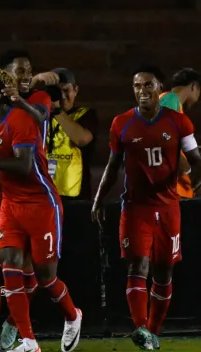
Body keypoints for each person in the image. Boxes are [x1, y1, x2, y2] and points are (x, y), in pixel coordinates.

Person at [0, 67, 82, 352]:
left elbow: (24, 167)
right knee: (9, 265)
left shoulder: (21, 118)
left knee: (46, 278)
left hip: (41, 204)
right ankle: (29, 342)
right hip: (11, 206)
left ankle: (73, 316)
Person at [91, 65, 201, 350]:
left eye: (148, 85)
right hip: (135, 208)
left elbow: (196, 159)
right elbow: (113, 166)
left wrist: (192, 185)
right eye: (137, 86)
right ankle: (140, 328)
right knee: (137, 267)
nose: (142, 91)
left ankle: (153, 331)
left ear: (159, 87)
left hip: (168, 208)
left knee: (164, 272)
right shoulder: (122, 123)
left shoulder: (179, 122)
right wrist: (99, 198)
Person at [0, 50, 53, 352]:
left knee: (29, 265)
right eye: (18, 72)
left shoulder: (37, 101)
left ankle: (14, 324)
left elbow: (42, 116)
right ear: (3, 77)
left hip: (31, 191)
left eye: (28, 71)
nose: (24, 77)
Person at [45, 68, 98, 200]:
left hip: (76, 195)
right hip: (45, 193)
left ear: (75, 90)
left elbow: (81, 139)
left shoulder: (86, 115)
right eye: (57, 92)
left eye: (66, 91)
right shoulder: (41, 115)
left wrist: (57, 111)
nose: (62, 97)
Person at [159, 68, 201, 198]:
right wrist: (189, 170)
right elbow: (162, 140)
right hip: (170, 190)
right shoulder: (171, 99)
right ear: (194, 86)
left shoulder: (170, 103)